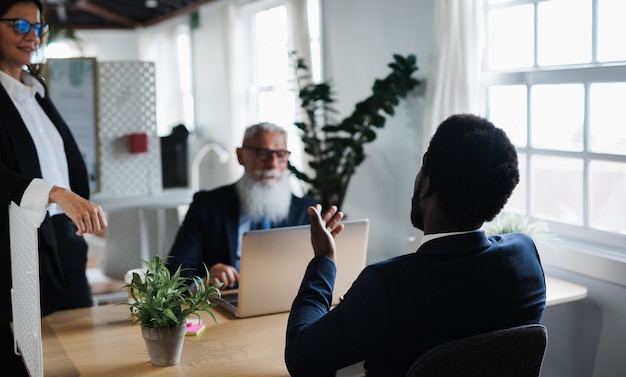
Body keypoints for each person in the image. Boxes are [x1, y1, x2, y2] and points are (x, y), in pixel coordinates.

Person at [285, 113, 547, 377]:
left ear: (425, 186)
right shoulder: (525, 259)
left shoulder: (386, 285)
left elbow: (300, 356)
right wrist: (362, 311)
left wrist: (324, 258)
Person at [0, 0, 107, 374]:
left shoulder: (35, 90)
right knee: (31, 361)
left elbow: (65, 164)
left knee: (82, 352)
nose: (32, 37)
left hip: (65, 242)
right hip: (20, 251)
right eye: (19, 26)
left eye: (38, 28)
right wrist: (55, 192)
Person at [167, 122, 315, 288]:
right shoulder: (207, 205)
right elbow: (174, 270)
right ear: (240, 155)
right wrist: (203, 283)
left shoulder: (306, 210)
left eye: (280, 155)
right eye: (262, 154)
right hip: (222, 303)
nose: (273, 164)